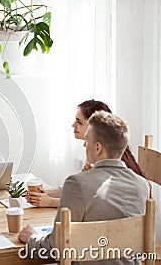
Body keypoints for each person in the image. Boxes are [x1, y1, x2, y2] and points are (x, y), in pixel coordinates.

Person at [18, 111, 149, 264]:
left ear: (98, 147)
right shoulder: (142, 185)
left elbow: (56, 248)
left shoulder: (76, 183)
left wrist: (31, 238)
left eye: (87, 139)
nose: (84, 144)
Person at [28, 99, 144, 208]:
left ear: (94, 126)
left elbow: (93, 204)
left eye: (79, 122)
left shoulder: (108, 159)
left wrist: (50, 202)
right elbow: (80, 192)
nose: (73, 125)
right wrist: (44, 194)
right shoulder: (97, 152)